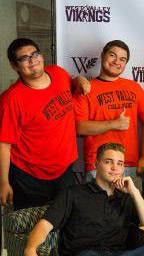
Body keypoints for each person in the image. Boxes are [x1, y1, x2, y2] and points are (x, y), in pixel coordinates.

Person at [0, 38, 90, 210]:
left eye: (35, 54)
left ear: (41, 56)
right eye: (24, 58)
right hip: (31, 176)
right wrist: (4, 182)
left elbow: (71, 85)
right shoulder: (10, 100)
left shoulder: (58, 73)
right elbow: (4, 144)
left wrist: (80, 80)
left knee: (65, 224)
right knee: (34, 229)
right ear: (14, 66)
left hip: (64, 169)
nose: (32, 60)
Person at [73, 40, 144, 192]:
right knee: (95, 213)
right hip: (97, 166)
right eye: (112, 55)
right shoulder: (86, 88)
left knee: (132, 213)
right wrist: (115, 123)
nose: (117, 62)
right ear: (102, 56)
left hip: (129, 164)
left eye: (122, 59)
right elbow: (81, 127)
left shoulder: (133, 87)